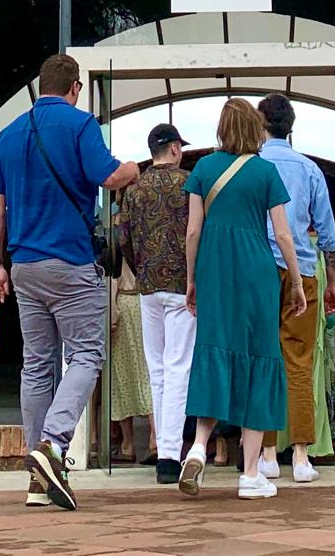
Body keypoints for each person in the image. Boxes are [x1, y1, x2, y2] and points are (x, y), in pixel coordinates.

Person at [0, 52, 139, 512]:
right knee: (87, 355)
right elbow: (110, 177)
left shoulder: (9, 135)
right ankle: (52, 445)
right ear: (75, 87)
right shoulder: (80, 125)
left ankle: (38, 478)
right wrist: (134, 168)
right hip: (70, 262)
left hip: (24, 266)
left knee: (37, 366)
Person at [178, 98, 307, 502]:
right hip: (255, 269)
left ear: (220, 128)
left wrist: (192, 279)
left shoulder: (202, 168)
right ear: (255, 129)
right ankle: (251, 474)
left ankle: (199, 444)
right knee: (259, 358)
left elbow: (193, 232)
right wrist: (298, 280)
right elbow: (284, 234)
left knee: (214, 348)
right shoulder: (265, 171)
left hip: (214, 267)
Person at [256, 92, 335, 484]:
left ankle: (268, 452)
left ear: (261, 124)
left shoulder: (253, 167)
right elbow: (328, 233)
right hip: (303, 272)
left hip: (260, 270)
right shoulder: (309, 169)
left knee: (264, 359)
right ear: (291, 127)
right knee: (300, 361)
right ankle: (303, 455)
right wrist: (333, 282)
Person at [118, 122, 195, 485]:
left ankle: (165, 452)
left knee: (157, 370)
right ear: (175, 149)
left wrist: (143, 271)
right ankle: (169, 452)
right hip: (183, 286)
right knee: (179, 366)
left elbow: (124, 240)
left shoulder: (134, 191)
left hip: (148, 288)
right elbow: (199, 232)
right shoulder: (190, 183)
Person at [107, 258, 154, 463]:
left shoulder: (117, 239)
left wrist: (111, 313)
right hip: (146, 304)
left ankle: (128, 443)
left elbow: (112, 278)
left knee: (122, 375)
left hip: (124, 304)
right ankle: (156, 437)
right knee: (148, 373)